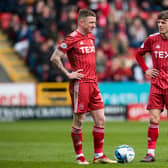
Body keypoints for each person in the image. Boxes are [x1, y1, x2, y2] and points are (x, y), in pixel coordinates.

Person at [50, 9, 116, 165]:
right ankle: (79, 156)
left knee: (100, 119)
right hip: (80, 84)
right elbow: (55, 57)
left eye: (95, 22)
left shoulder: (91, 37)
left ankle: (98, 155)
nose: (94, 25)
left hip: (93, 83)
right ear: (81, 22)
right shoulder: (71, 38)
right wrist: (68, 73)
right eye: (91, 22)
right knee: (79, 121)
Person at [136, 10, 168, 162]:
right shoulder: (152, 39)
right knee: (154, 119)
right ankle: (150, 153)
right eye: (159, 23)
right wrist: (146, 70)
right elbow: (138, 54)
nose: (160, 25)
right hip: (156, 84)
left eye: (164, 23)